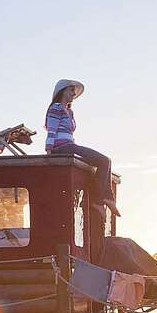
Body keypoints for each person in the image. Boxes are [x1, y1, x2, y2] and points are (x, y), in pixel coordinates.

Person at [44, 79, 120, 219]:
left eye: (74, 91)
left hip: (70, 146)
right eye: (70, 90)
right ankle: (99, 201)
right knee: (103, 161)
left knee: (103, 162)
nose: (73, 93)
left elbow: (69, 134)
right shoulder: (56, 107)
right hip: (61, 148)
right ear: (62, 91)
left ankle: (107, 198)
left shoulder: (69, 112)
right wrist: (49, 151)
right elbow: (51, 130)